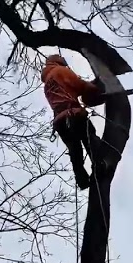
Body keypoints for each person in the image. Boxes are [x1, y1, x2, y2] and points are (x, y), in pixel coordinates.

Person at [40, 54, 102, 190]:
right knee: (89, 138)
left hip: (60, 121)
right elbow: (79, 85)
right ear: (58, 61)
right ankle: (100, 165)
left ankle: (82, 179)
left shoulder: (47, 83)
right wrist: (95, 89)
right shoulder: (61, 71)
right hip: (73, 114)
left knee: (75, 150)